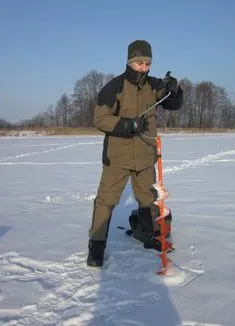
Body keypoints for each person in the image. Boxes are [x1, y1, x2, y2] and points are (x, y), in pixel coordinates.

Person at [87, 40, 183, 267]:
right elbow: (100, 119)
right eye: (140, 63)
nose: (144, 67)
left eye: (148, 63)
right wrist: (129, 125)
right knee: (106, 201)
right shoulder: (114, 87)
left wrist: (175, 89)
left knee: (148, 199)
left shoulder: (154, 85)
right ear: (130, 61)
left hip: (145, 157)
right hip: (117, 158)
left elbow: (174, 103)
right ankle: (96, 247)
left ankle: (149, 236)